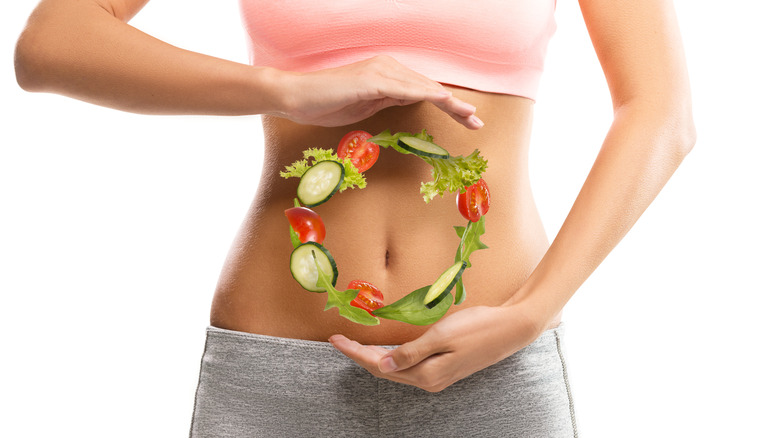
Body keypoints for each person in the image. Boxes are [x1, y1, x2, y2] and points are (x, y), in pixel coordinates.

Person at [14, 0, 695, 436]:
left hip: (496, 364)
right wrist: (289, 89)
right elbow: (49, 42)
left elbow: (661, 110)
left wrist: (530, 312)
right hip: (274, 369)